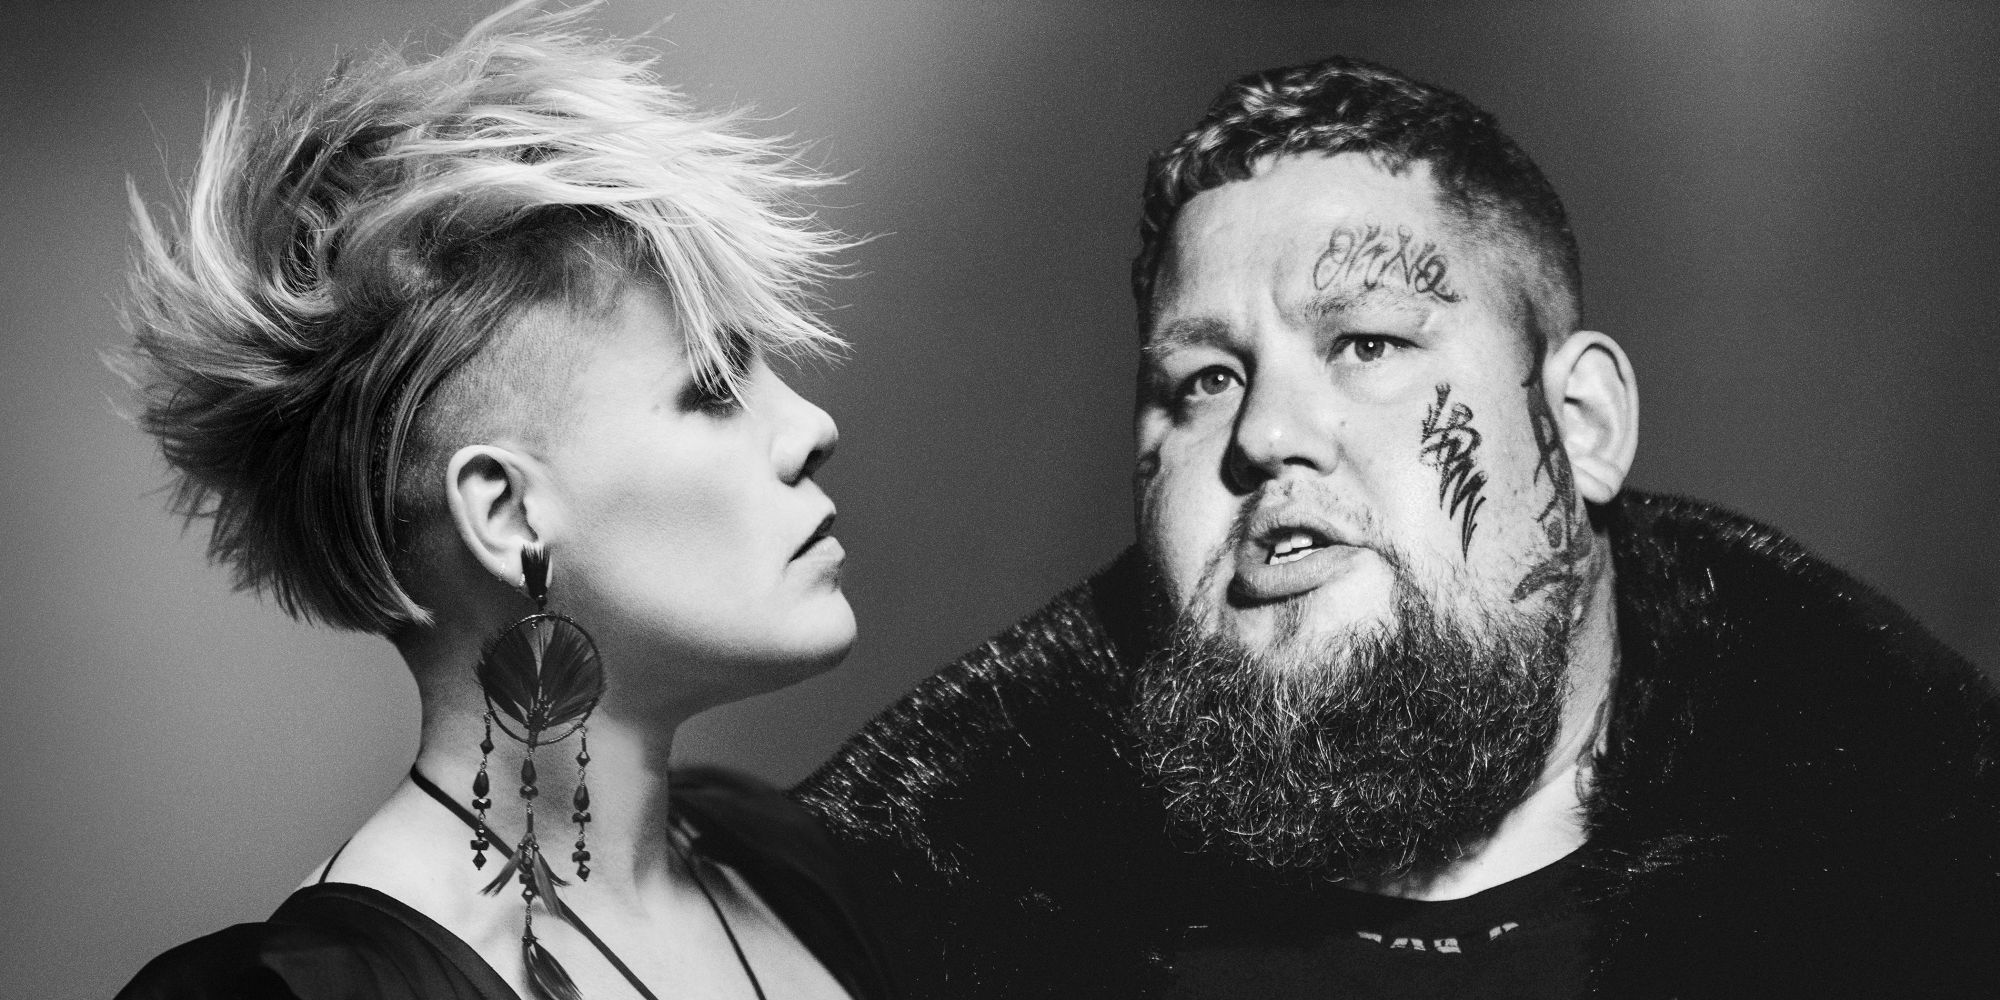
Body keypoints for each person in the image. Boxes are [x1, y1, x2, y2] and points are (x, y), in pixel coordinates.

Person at [796, 56, 2000, 999]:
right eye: (1203, 379)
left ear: (1581, 424)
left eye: (1366, 342)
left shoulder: (1939, 885)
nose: (1265, 431)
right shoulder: (877, 932)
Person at [113, 5, 889, 999]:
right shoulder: (318, 993)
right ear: (509, 514)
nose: (811, 426)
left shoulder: (788, 863)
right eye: (711, 388)